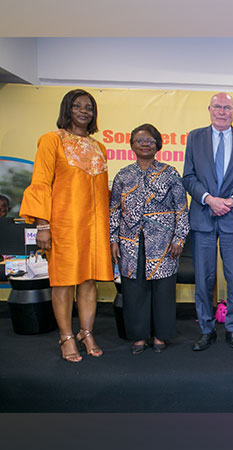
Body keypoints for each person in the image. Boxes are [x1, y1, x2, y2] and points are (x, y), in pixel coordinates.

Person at [19, 89, 112, 363]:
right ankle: (66, 336)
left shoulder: (99, 147)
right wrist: (43, 225)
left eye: (89, 107)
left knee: (88, 280)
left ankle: (86, 332)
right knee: (63, 282)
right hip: (63, 224)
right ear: (67, 109)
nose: (84, 111)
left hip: (95, 227)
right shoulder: (51, 141)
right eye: (78, 106)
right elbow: (40, 184)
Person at [182, 92, 233, 351]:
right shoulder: (195, 137)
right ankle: (206, 329)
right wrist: (208, 199)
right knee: (203, 277)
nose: (222, 111)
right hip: (203, 217)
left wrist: (232, 201)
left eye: (227, 107)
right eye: (218, 107)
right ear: (209, 109)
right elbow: (188, 176)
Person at [109, 124, 189, 354]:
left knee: (163, 290)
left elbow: (181, 209)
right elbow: (114, 209)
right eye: (139, 140)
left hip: (163, 242)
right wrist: (113, 240)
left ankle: (161, 336)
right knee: (134, 289)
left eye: (150, 140)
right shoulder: (123, 175)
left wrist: (179, 238)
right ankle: (139, 336)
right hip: (130, 241)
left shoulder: (170, 173)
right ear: (131, 144)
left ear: (158, 145)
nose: (145, 144)